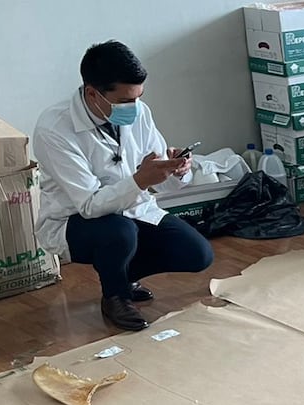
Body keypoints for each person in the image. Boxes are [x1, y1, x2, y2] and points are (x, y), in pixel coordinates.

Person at [34, 41, 211, 331]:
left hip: (133, 210)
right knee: (119, 232)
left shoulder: (140, 112)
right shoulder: (54, 128)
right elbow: (89, 206)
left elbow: (159, 178)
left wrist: (177, 169)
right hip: (75, 222)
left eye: (139, 97)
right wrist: (140, 179)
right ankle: (115, 294)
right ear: (92, 93)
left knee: (197, 254)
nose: (135, 107)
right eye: (126, 100)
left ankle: (120, 272)